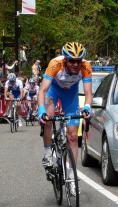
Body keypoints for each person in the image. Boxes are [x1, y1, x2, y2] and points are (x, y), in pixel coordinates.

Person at [37, 42, 92, 196]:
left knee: (73, 136)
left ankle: (71, 177)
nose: (75, 64)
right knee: (48, 119)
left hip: (71, 95)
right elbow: (43, 90)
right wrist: (41, 111)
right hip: (53, 91)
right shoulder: (55, 64)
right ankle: (48, 152)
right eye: (71, 61)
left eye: (78, 61)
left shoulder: (86, 67)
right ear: (65, 60)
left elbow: (88, 93)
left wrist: (87, 107)